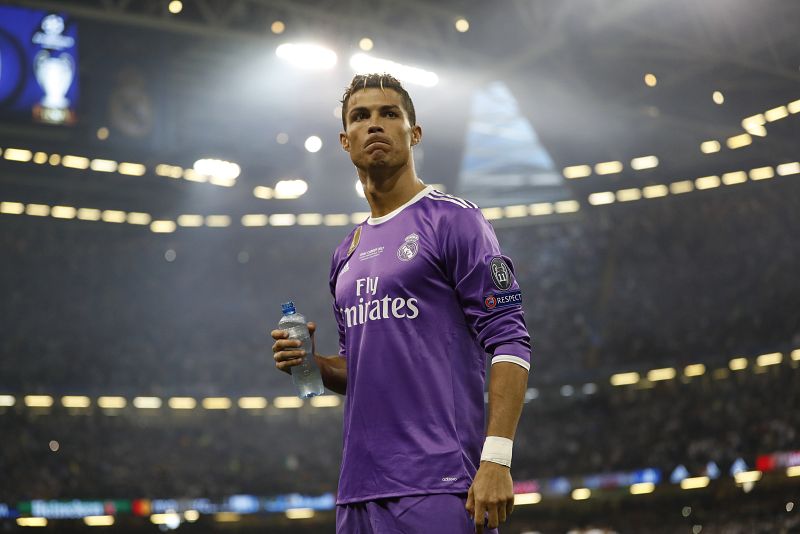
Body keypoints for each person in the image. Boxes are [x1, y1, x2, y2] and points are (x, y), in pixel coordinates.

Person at [272, 73, 531, 534]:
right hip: (358, 490)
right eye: (360, 117)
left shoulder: (454, 220)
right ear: (345, 141)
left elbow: (510, 339)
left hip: (441, 484)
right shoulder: (345, 253)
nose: (374, 124)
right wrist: (314, 364)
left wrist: (496, 458)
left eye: (389, 114)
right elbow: (358, 367)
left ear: (415, 133)